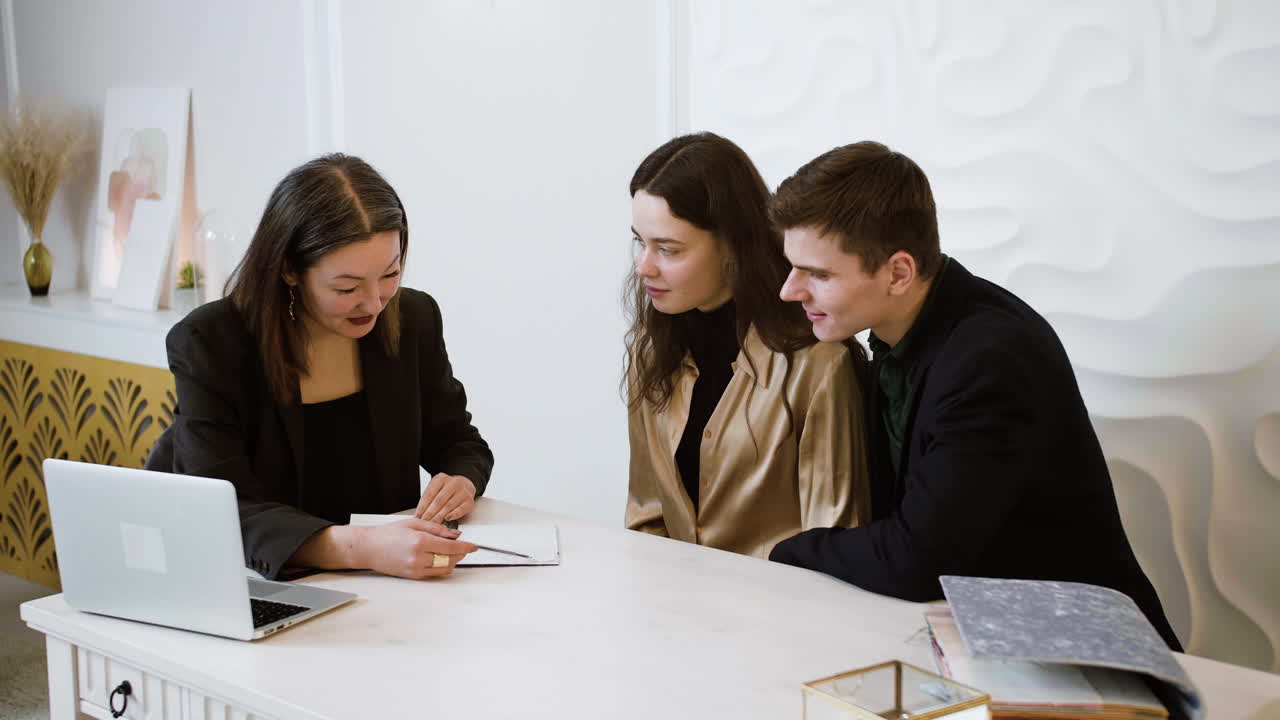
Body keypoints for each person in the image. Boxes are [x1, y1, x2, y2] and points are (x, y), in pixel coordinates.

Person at [767, 141, 1182, 649]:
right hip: (990, 639)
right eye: (793, 267)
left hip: (1088, 660)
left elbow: (915, 562)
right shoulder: (897, 333)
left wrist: (789, 551)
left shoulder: (990, 359)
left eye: (819, 274)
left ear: (898, 272)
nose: (790, 290)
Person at [147, 153, 488, 581]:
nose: (375, 303)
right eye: (347, 287)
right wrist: (360, 547)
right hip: (264, 583)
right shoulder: (212, 343)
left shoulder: (413, 318)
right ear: (290, 269)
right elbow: (224, 507)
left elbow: (459, 441)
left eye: (390, 274)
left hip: (390, 583)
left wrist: (460, 480)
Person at [624, 132, 871, 559]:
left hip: (786, 614)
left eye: (668, 249)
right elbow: (646, 518)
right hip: (673, 610)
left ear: (732, 246)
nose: (644, 266)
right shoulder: (652, 350)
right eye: (639, 242)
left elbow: (836, 541)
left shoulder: (820, 363)